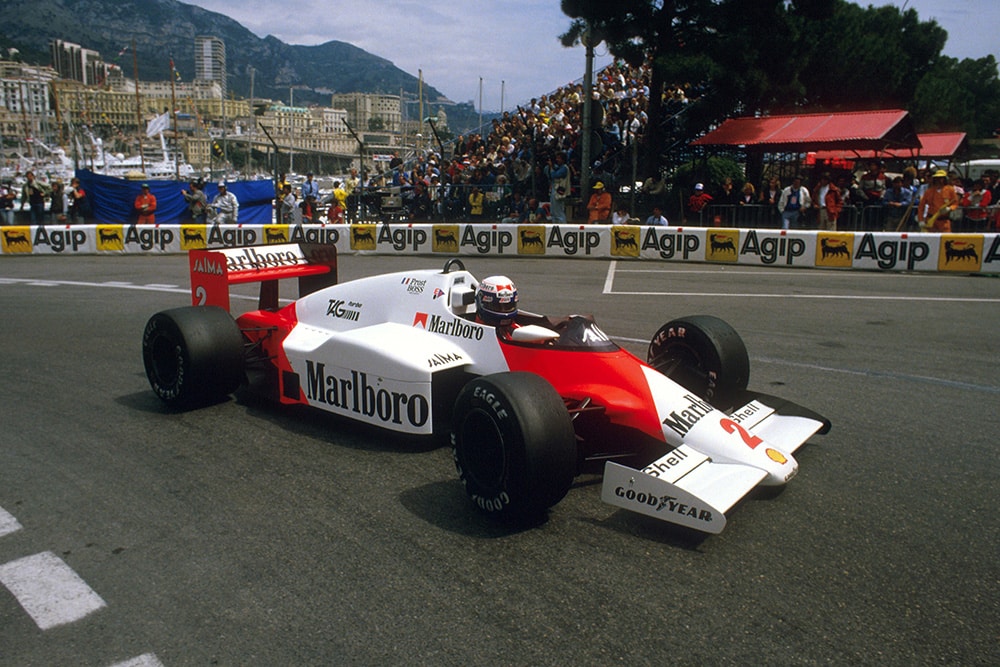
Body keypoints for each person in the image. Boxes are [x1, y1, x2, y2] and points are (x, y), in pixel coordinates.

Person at [544, 152, 569, 223]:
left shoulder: (564, 168)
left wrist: (551, 167)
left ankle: (563, 228)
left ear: (563, 160)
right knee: (553, 212)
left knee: (559, 212)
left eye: (559, 158)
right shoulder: (559, 167)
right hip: (554, 190)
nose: (557, 160)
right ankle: (555, 227)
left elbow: (554, 175)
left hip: (559, 191)